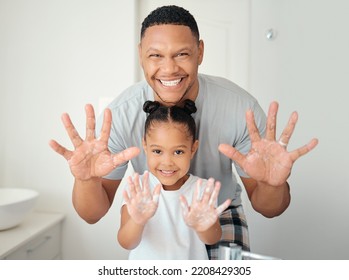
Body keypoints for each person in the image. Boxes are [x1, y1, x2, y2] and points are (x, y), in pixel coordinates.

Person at [49, 5, 318, 259]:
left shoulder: (240, 108)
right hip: (152, 213)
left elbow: (270, 209)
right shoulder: (120, 115)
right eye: (156, 55)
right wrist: (86, 180)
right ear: (141, 53)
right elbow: (92, 214)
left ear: (200, 52)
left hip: (218, 213)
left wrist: (273, 184)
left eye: (182, 54)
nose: (169, 69)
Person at [118, 100, 231, 259]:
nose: (167, 162)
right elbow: (126, 243)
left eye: (178, 152)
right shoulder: (138, 187)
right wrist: (138, 221)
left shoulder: (202, 189)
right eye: (157, 151)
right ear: (145, 146)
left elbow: (213, 238)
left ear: (192, 149)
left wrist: (202, 227)